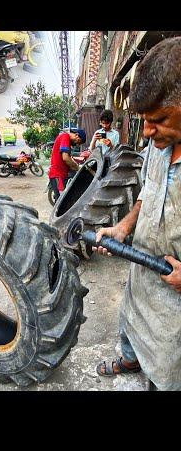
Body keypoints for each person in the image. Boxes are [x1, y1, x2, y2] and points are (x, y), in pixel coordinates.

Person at [93, 37, 181, 391]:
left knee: (167, 368)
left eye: (157, 120)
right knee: (130, 322)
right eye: (142, 120)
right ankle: (130, 359)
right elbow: (149, 192)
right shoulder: (158, 144)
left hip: (174, 295)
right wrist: (123, 227)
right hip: (142, 270)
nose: (146, 132)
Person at [47, 127, 86, 200]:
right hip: (57, 175)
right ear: (77, 135)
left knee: (61, 200)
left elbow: (68, 157)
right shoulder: (65, 136)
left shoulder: (66, 139)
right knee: (60, 201)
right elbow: (65, 158)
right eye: (78, 141)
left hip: (61, 175)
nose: (77, 144)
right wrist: (77, 168)